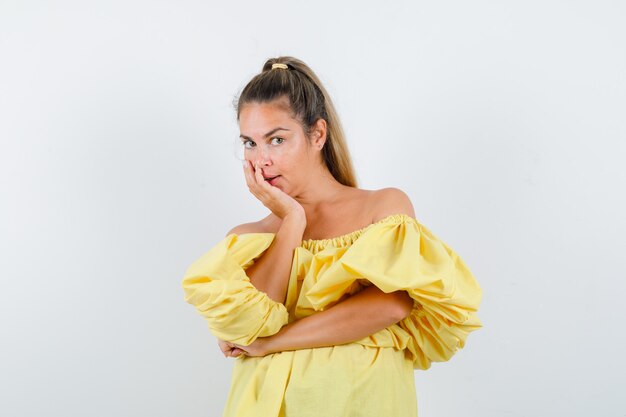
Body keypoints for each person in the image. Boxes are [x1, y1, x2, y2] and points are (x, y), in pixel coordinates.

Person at [181, 56, 483, 417]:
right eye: (250, 143)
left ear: (318, 134)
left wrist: (274, 342)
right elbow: (249, 327)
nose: (261, 161)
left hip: (360, 402)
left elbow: (390, 305)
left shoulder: (382, 209)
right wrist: (292, 220)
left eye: (276, 140)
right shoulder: (247, 240)